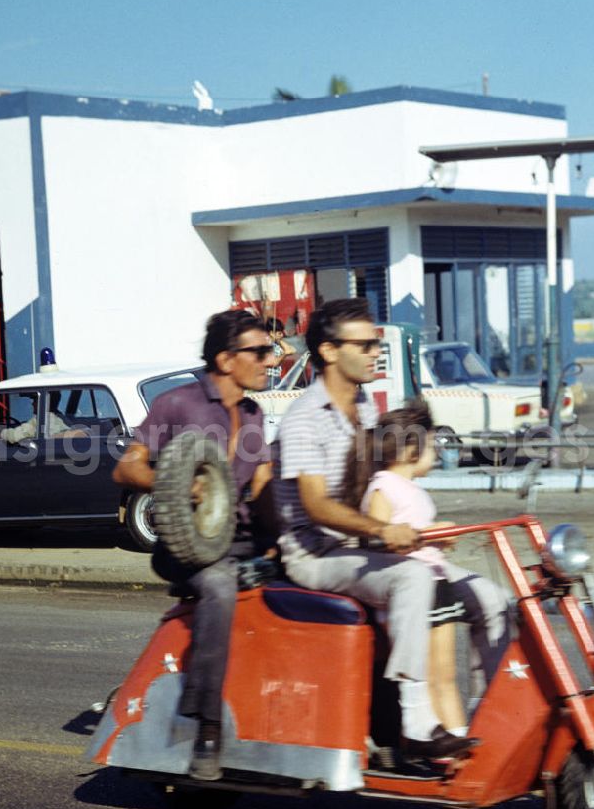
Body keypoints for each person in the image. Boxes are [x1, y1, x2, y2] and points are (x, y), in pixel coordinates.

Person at [273, 298, 473, 762]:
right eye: (363, 345)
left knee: (481, 593)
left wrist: (419, 526)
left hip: (356, 547)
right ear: (328, 351)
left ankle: (467, 722)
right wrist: (385, 531)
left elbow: (384, 481)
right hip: (315, 555)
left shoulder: (364, 406)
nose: (374, 353)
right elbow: (316, 504)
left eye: (376, 344)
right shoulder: (303, 417)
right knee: (413, 577)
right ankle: (418, 721)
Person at [113, 309, 277, 780]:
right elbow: (126, 469)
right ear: (227, 359)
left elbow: (262, 483)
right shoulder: (177, 404)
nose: (271, 360)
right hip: (187, 550)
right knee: (222, 587)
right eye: (260, 352)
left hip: (241, 540)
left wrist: (289, 534)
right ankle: (205, 726)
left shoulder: (253, 413)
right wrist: (181, 485)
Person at [347, 400, 512, 732]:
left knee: (445, 676)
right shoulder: (382, 487)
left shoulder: (409, 487)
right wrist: (426, 536)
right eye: (432, 446)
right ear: (410, 449)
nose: (436, 453)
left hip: (437, 584)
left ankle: (460, 740)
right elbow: (378, 539)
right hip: (416, 592)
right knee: (435, 676)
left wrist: (435, 537)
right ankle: (440, 743)